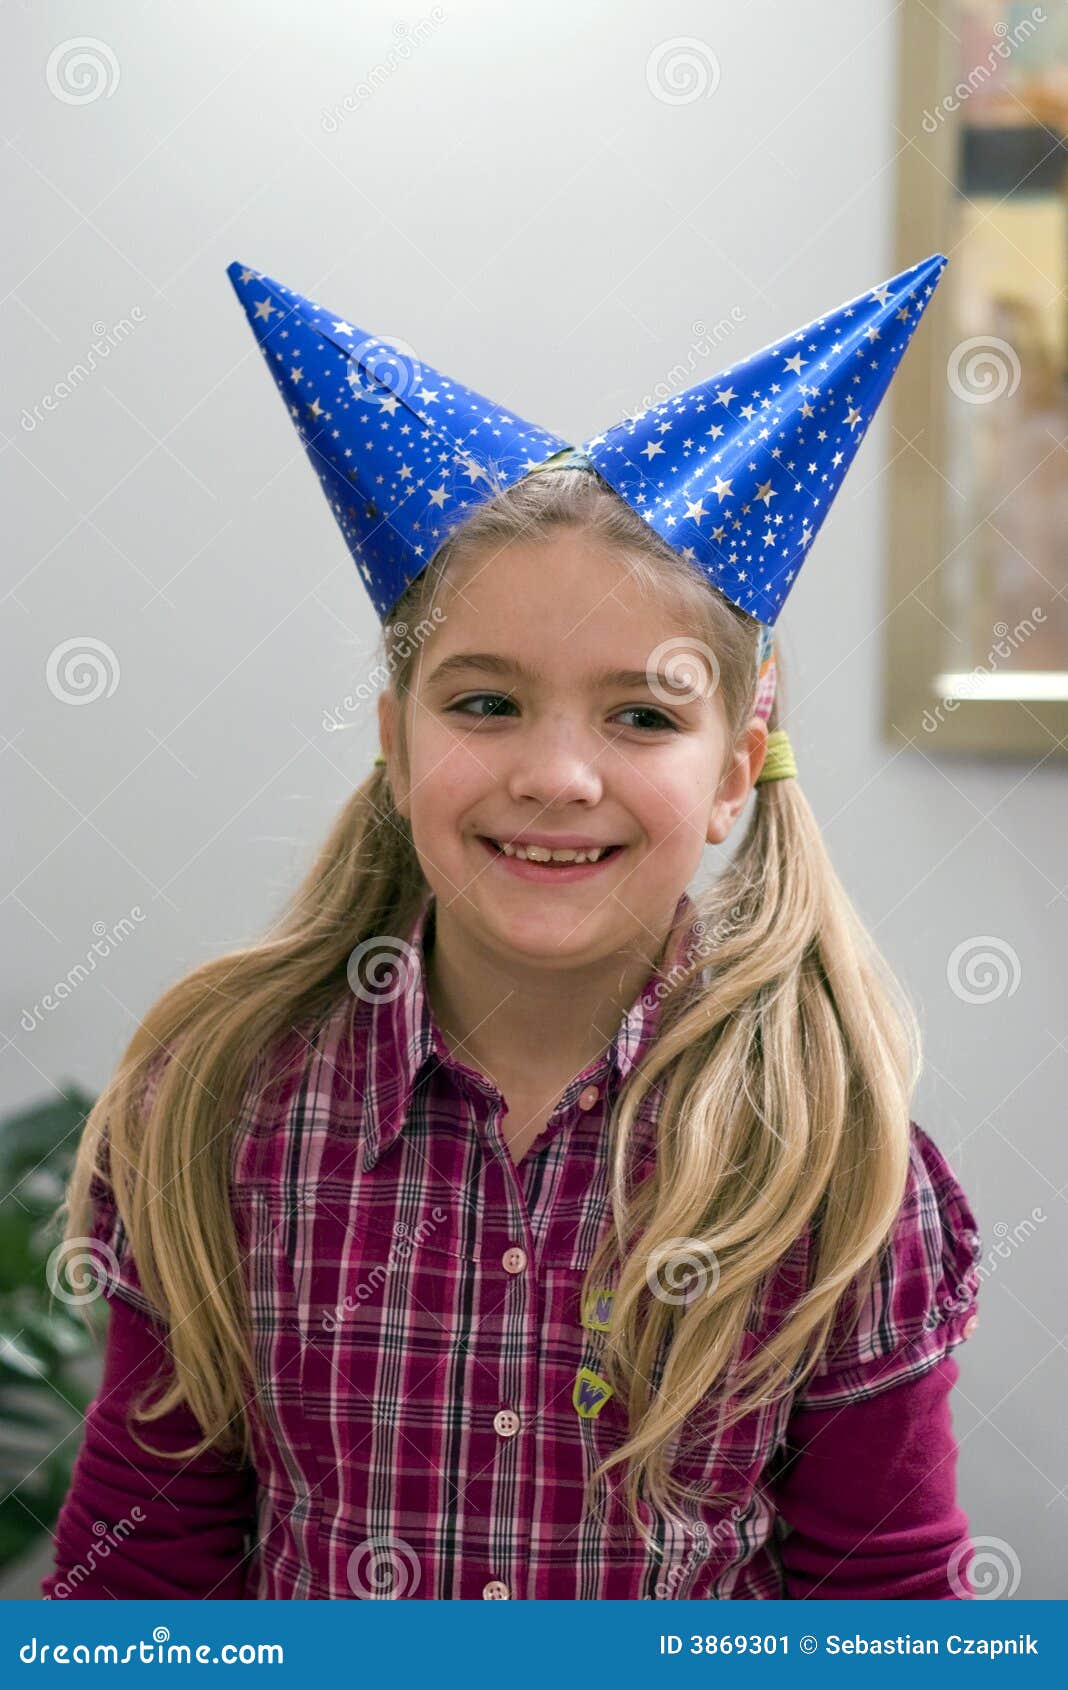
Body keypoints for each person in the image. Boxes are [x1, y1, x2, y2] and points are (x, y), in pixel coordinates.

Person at [42, 254, 982, 1601]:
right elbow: (142, 1585)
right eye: (485, 704)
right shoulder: (218, 1110)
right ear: (394, 740)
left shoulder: (831, 1165)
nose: (557, 775)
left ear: (735, 767)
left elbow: (886, 1623)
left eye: (642, 714)